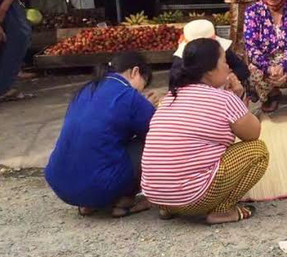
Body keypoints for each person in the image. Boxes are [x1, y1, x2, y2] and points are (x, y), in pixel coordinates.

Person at [142, 38, 267, 225]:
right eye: (224, 62)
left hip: (156, 195)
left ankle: (168, 208)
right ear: (210, 69)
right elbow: (252, 133)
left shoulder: (169, 97)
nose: (228, 68)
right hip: (192, 199)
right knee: (258, 151)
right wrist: (239, 95)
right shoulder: (224, 99)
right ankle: (222, 211)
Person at [45, 53, 158, 217]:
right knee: (157, 141)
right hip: (102, 184)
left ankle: (89, 204)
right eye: (144, 83)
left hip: (60, 183)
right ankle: (124, 199)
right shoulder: (129, 95)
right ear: (135, 72)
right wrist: (148, 106)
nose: (142, 89)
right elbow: (156, 131)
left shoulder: (86, 89)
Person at [171, 19, 249, 98]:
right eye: (224, 62)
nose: (227, 66)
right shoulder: (180, 64)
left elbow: (242, 69)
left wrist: (232, 77)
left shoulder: (222, 52)